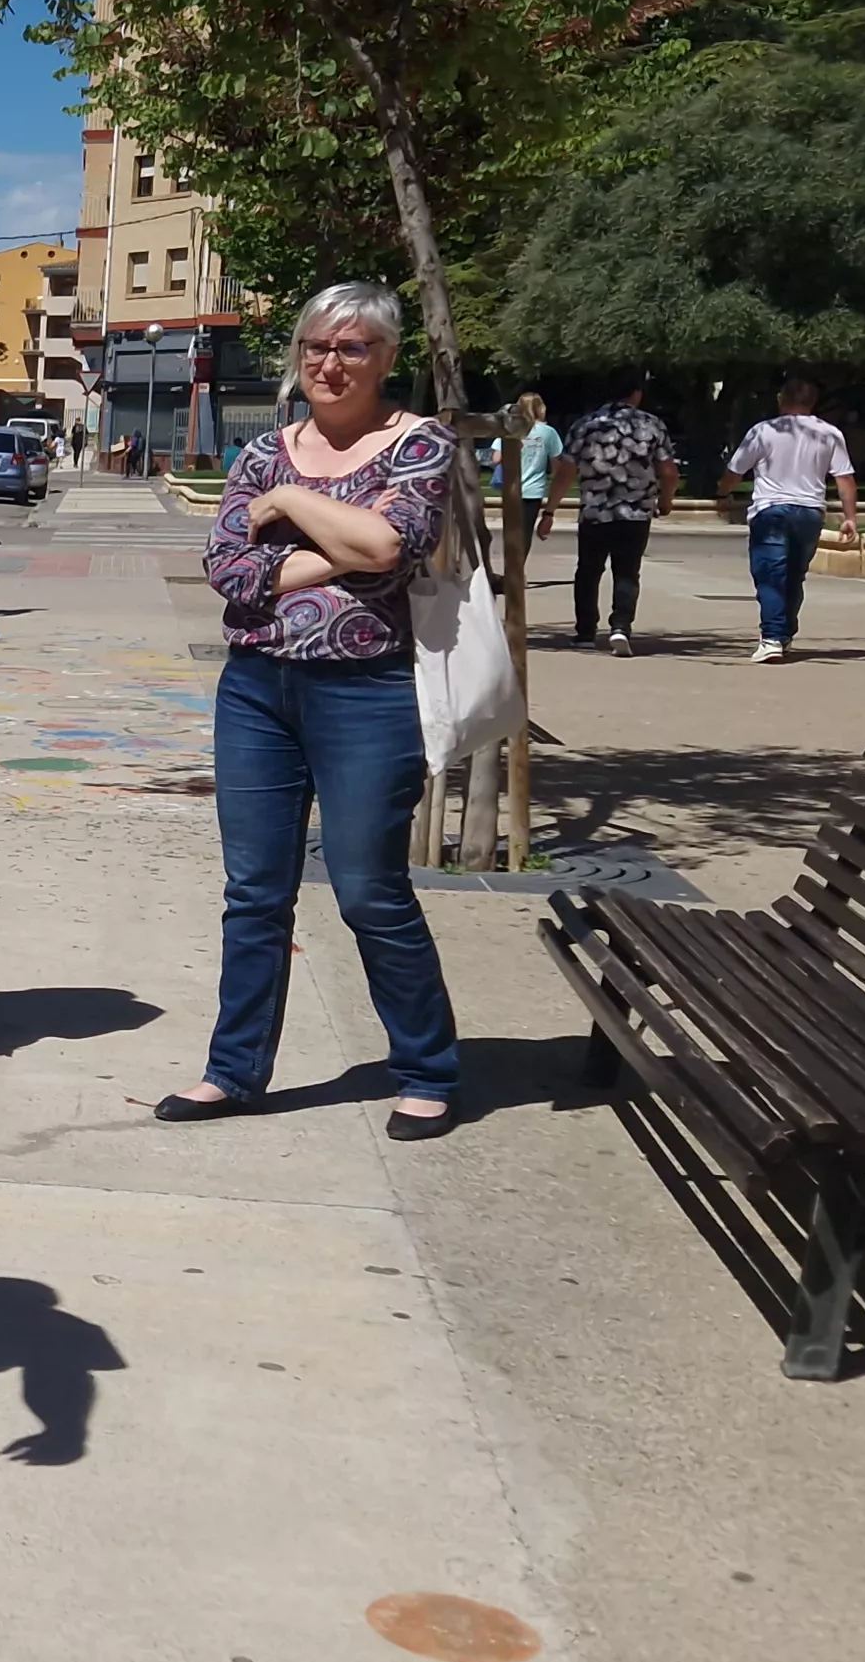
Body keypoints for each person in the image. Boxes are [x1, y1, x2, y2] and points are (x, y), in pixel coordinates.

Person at [158, 281, 462, 1144]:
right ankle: (233, 1071)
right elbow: (229, 572)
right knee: (254, 894)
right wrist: (342, 549)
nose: (330, 363)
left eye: (353, 347)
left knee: (369, 889)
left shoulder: (419, 444)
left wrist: (291, 510)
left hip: (366, 693)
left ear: (386, 358)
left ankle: (429, 1070)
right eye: (316, 347)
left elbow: (389, 549)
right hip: (257, 688)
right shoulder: (261, 451)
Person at [725, 376, 861, 663]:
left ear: (781, 399)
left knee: (770, 574)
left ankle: (772, 637)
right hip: (810, 512)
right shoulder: (829, 433)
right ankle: (784, 632)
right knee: (794, 575)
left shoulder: (763, 431)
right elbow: (844, 477)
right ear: (812, 402)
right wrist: (850, 518)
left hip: (771, 509)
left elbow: (736, 470)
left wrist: (722, 491)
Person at [563, 378, 678, 655]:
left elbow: (565, 470)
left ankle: (585, 631)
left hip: (594, 510)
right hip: (635, 511)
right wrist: (666, 500)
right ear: (636, 393)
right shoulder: (651, 425)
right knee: (627, 571)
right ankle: (621, 627)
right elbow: (668, 470)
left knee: (588, 571)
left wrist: (551, 508)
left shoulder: (585, 425)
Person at [513, 392, 562, 545]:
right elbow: (557, 463)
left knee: (512, 532)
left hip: (511, 489)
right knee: (525, 533)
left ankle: (512, 565)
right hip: (534, 489)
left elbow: (496, 458)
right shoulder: (548, 432)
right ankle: (519, 566)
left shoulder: (512, 429)